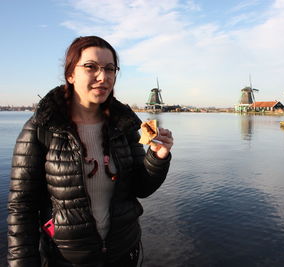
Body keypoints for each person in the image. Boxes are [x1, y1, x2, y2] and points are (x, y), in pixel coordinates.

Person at [7, 36, 173, 267]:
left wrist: (157, 157)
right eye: (90, 67)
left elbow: (141, 188)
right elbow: (22, 208)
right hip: (66, 260)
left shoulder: (123, 126)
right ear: (70, 74)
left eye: (110, 69)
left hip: (123, 254)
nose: (103, 77)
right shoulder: (42, 128)